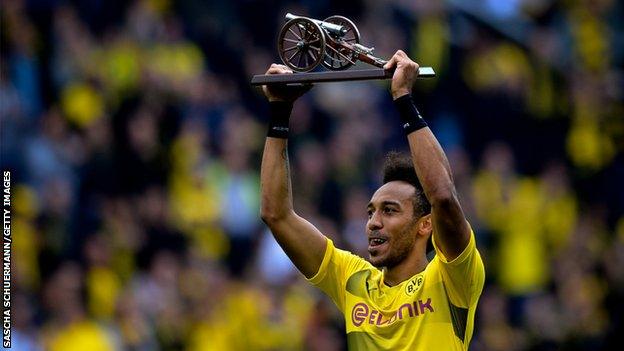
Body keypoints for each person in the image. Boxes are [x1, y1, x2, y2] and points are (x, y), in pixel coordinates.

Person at [260, 50, 485, 350]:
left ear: (425, 225)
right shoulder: (354, 280)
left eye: (389, 211)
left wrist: (403, 98)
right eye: (370, 213)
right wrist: (279, 112)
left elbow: (443, 196)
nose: (373, 223)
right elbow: (276, 215)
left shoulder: (451, 277)